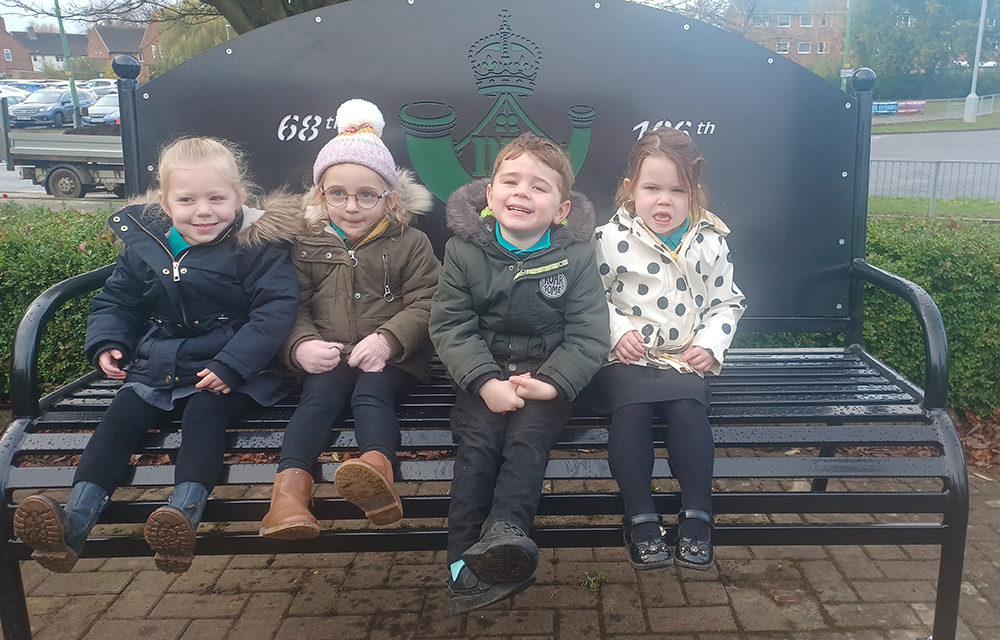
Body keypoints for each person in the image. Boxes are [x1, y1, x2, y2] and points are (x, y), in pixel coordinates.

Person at [13, 137, 300, 573]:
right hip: (159, 364)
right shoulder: (146, 245)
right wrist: (110, 343)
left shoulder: (256, 246)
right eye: (187, 200)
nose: (203, 211)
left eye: (217, 198)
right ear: (165, 204)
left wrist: (232, 365)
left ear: (239, 198)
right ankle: (75, 521)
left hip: (230, 367)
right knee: (120, 419)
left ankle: (183, 516)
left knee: (203, 416)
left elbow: (273, 312)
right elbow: (118, 301)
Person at [430, 133, 609, 614]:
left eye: (538, 187)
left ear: (562, 208)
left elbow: (589, 334)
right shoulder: (463, 252)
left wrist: (550, 383)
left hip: (545, 381)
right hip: (481, 380)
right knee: (479, 449)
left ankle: (506, 534)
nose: (521, 193)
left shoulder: (575, 257)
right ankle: (460, 567)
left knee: (526, 444)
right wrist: (485, 382)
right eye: (510, 181)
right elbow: (451, 325)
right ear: (490, 195)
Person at [259, 99, 439, 538]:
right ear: (320, 195)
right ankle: (288, 497)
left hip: (393, 360)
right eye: (337, 193)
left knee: (372, 395)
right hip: (327, 356)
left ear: (390, 199)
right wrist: (300, 345)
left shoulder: (410, 243)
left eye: (366, 195)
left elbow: (430, 300)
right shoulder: (306, 243)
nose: (351, 206)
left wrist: (388, 341)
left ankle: (378, 474)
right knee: (317, 401)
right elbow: (289, 304)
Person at [586, 127, 745, 572]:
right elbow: (590, 297)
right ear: (629, 189)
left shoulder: (710, 241)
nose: (664, 201)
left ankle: (698, 513)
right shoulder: (607, 239)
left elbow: (727, 301)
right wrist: (616, 331)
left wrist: (711, 344)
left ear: (694, 193)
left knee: (687, 410)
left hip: (681, 361)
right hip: (625, 361)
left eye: (678, 190)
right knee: (632, 413)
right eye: (652, 188)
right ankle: (640, 517)